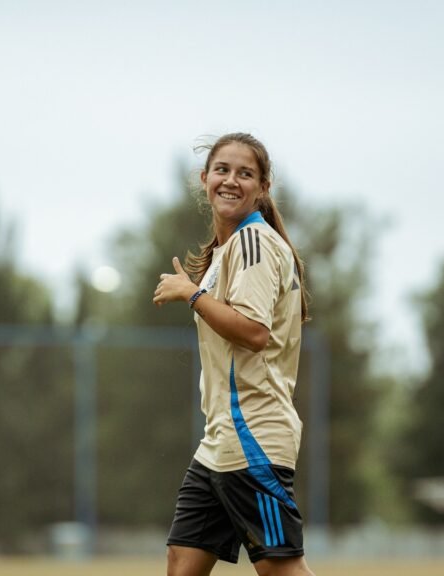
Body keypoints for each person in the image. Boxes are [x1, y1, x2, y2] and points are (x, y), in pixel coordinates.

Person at [153, 133, 315, 576]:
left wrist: (192, 294)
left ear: (263, 188)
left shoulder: (253, 242)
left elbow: (254, 333)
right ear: (204, 178)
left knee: (281, 569)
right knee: (182, 561)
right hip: (221, 440)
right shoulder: (231, 248)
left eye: (245, 173)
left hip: (254, 435)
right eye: (222, 170)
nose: (231, 180)